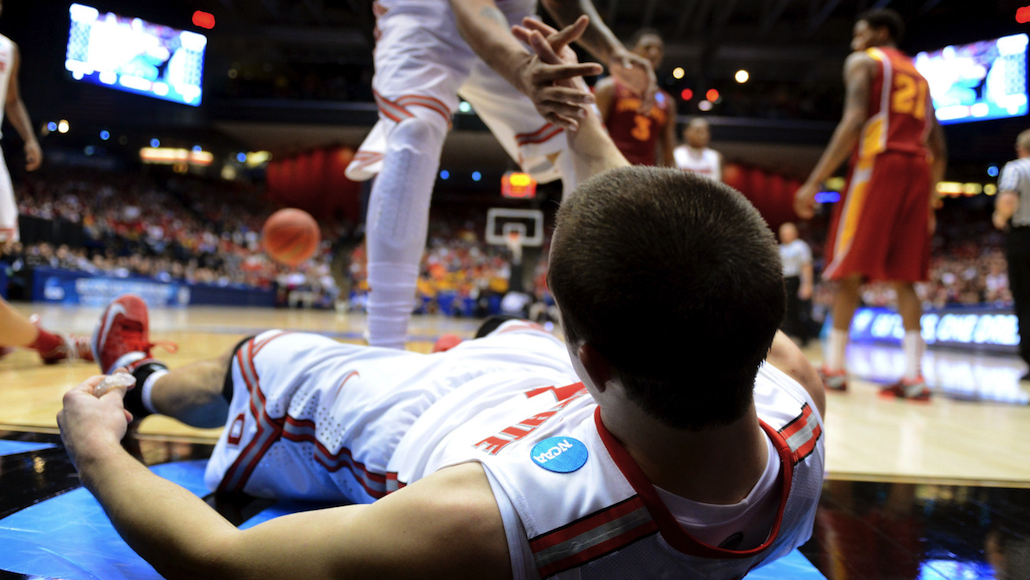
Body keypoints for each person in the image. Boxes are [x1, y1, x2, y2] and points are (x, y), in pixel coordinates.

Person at [58, 19, 825, 580]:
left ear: (590, 358)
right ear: (765, 337)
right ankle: (508, 339)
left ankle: (142, 378)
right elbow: (635, 210)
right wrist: (580, 114)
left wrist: (95, 449)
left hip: (410, 414)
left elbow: (217, 557)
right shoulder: (797, 407)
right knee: (513, 325)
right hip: (544, 391)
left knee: (259, 361)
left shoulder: (495, 521)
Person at [343, 0, 658, 350]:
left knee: (580, 127)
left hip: (512, 17)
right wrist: (524, 70)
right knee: (414, 132)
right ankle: (385, 348)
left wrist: (612, 51)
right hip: (424, 12)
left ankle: (595, 344)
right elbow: (470, 7)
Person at [794, 8, 946, 399]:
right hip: (918, 168)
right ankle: (914, 376)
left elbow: (854, 120)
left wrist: (813, 181)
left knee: (847, 267)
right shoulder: (920, 74)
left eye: (859, 33)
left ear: (879, 33)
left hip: (878, 164)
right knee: (906, 277)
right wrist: (929, 201)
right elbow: (939, 147)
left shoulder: (865, 61)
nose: (853, 41)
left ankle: (835, 370)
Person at [0, 3, 91, 365]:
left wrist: (30, 138)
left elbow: (12, 99)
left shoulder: (8, 49)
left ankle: (34, 339)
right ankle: (49, 341)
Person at [594, 28, 676, 166]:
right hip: (610, 170)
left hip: (644, 174)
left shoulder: (667, 101)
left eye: (659, 49)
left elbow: (668, 150)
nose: (654, 52)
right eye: (647, 47)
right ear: (633, 52)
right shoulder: (609, 87)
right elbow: (594, 134)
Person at [993, 128, 1030, 381]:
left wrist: (999, 216)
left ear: (1020, 148)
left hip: (1024, 237)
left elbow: (1008, 200)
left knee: (1026, 299)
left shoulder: (1017, 168)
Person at [779, 222, 814, 346]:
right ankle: (790, 337)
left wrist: (807, 285)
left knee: (800, 311)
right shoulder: (780, 248)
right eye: (783, 233)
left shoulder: (800, 246)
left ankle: (803, 338)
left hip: (796, 280)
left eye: (788, 232)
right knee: (787, 311)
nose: (785, 235)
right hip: (784, 281)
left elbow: (806, 266)